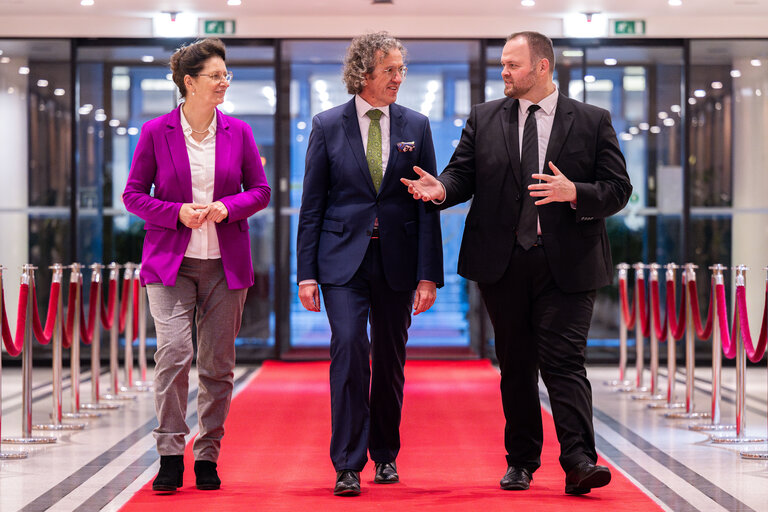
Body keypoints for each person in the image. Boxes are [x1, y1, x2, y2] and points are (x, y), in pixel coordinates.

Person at [401, 31, 632, 495]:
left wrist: (576, 193)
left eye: (512, 64)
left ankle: (580, 460)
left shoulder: (591, 120)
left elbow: (618, 188)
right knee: (516, 364)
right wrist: (441, 190)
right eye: (503, 64)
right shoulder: (485, 118)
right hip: (502, 263)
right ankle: (522, 460)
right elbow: (462, 174)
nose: (503, 72)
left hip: (567, 263)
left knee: (565, 361)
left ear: (542, 67)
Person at [296, 31, 443, 496]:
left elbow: (427, 204)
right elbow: (312, 204)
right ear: (364, 74)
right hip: (341, 264)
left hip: (397, 261)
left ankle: (385, 456)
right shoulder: (326, 124)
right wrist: (306, 272)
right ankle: (346, 462)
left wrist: (428, 274)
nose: (399, 77)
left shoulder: (416, 126)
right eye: (391, 70)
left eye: (401, 69)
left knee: (390, 357)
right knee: (350, 350)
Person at [122, 37, 271, 493]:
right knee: (173, 355)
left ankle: (207, 454)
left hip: (225, 265)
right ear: (189, 82)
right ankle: (170, 453)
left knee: (217, 365)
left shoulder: (239, 133)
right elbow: (133, 195)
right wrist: (176, 213)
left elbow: (260, 190)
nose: (224, 82)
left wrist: (228, 208)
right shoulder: (155, 132)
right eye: (215, 76)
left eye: (226, 75)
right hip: (170, 264)